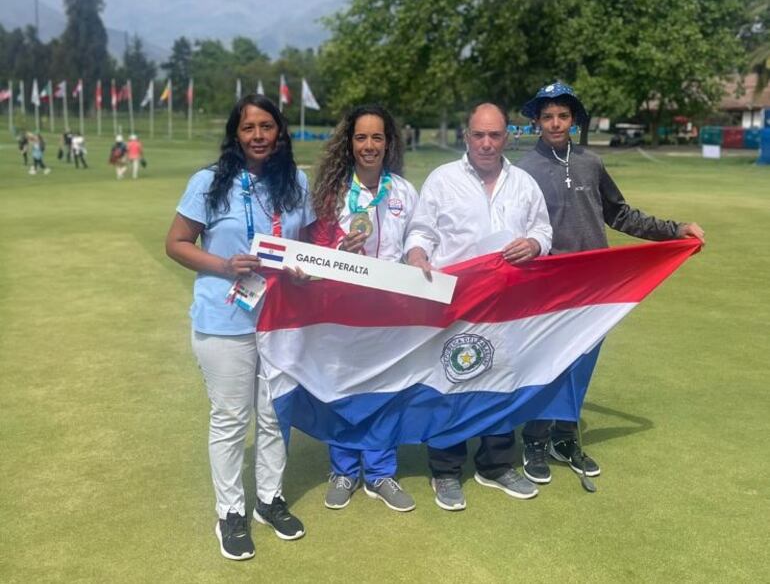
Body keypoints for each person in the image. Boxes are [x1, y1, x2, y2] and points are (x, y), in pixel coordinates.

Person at [516, 81, 705, 485]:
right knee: (546, 365)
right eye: (547, 116)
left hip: (596, 287)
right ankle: (534, 439)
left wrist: (676, 231)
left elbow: (621, 215)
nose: (555, 123)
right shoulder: (522, 171)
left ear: (573, 120)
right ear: (535, 121)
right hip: (547, 286)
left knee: (581, 364)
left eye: (562, 116)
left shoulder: (590, 163)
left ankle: (564, 439)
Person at [165, 94, 314, 561]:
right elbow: (176, 243)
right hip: (223, 318)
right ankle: (231, 511)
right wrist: (225, 265)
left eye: (266, 126)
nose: (258, 136)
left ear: (279, 131)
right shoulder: (209, 182)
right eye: (248, 128)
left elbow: (304, 245)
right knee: (231, 420)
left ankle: (269, 500)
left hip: (280, 319)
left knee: (273, 416)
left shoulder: (296, 181)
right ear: (236, 134)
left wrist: (303, 266)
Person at [404, 103, 552, 511]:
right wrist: (417, 255)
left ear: (507, 137)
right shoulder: (442, 179)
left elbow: (543, 227)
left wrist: (536, 243)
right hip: (457, 301)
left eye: (495, 135)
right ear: (466, 137)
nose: (486, 143)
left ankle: (496, 465)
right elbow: (421, 230)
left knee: (502, 381)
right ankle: (446, 470)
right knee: (453, 380)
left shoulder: (523, 183)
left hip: (508, 304)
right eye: (478, 135)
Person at [308, 105, 419, 513]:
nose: (369, 146)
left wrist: (418, 254)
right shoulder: (331, 194)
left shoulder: (404, 192)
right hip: (342, 309)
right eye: (361, 138)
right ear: (349, 143)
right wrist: (338, 249)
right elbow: (313, 250)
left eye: (376, 137)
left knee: (386, 389)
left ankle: (380, 472)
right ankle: (343, 468)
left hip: (391, 310)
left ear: (388, 143)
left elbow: (418, 236)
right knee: (343, 388)